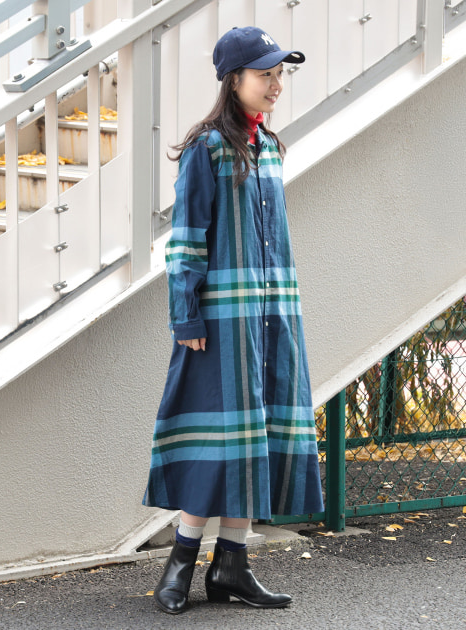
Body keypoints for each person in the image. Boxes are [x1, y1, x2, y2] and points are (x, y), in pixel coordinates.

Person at [142, 26, 324, 615]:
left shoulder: (268, 145)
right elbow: (186, 240)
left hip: (272, 318)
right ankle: (181, 564)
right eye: (265, 74)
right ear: (233, 79)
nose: (276, 84)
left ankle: (232, 567)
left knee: (255, 439)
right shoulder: (208, 149)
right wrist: (186, 316)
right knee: (217, 445)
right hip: (221, 321)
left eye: (280, 74)